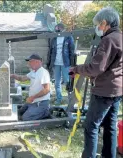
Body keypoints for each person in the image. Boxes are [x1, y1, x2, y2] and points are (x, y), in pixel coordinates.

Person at [69, 7, 122, 158]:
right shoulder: (121, 37)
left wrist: (77, 69)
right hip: (117, 90)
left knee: (91, 126)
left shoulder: (108, 40)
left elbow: (96, 68)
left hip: (104, 91)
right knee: (110, 126)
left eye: (98, 25)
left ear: (105, 23)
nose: (98, 28)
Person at [11, 54, 51, 121]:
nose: (28, 63)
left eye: (30, 61)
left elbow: (47, 89)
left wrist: (33, 97)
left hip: (40, 103)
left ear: (37, 62)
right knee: (20, 112)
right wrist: (13, 75)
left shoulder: (43, 73)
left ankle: (45, 112)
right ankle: (35, 110)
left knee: (26, 118)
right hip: (33, 101)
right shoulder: (33, 72)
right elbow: (22, 78)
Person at [46, 23, 75, 104]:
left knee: (67, 81)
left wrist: (72, 64)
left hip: (66, 64)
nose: (56, 30)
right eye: (56, 29)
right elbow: (50, 52)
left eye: (57, 28)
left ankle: (70, 100)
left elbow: (71, 51)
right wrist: (49, 63)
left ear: (62, 29)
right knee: (57, 82)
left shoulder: (68, 37)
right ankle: (59, 99)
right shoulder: (54, 39)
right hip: (56, 63)